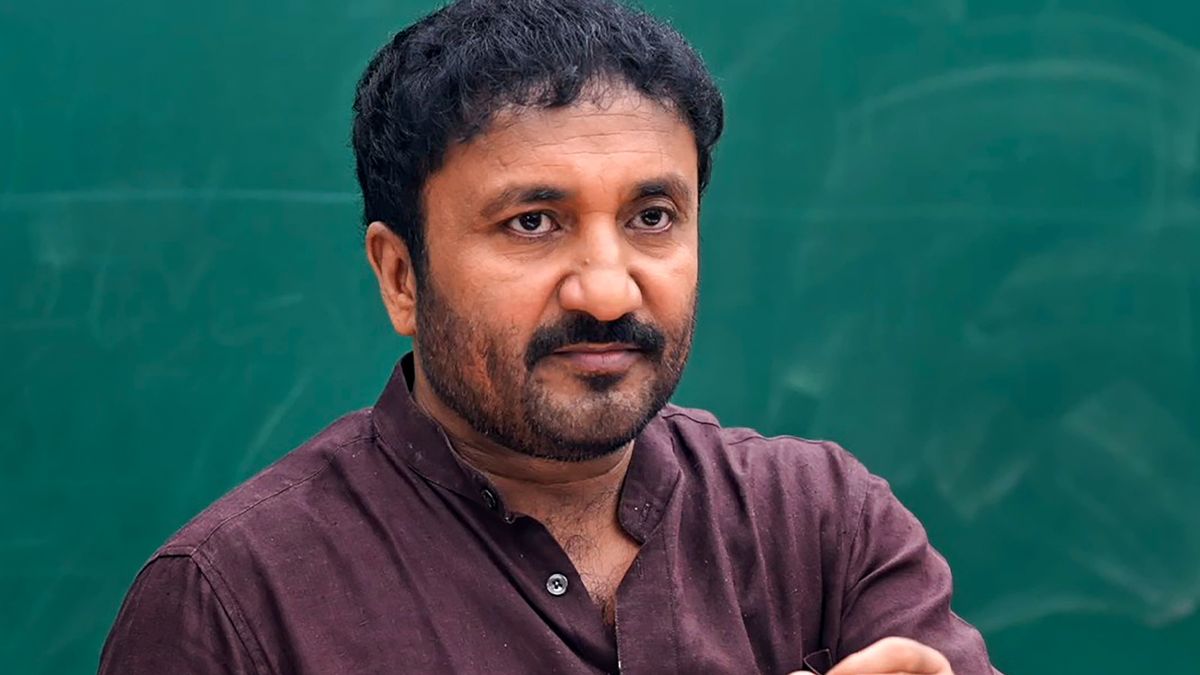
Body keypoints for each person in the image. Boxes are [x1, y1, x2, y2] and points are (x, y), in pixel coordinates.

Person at [99, 0, 998, 673]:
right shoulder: (232, 603)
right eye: (532, 222)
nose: (607, 290)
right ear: (401, 275)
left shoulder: (821, 525)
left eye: (652, 216)